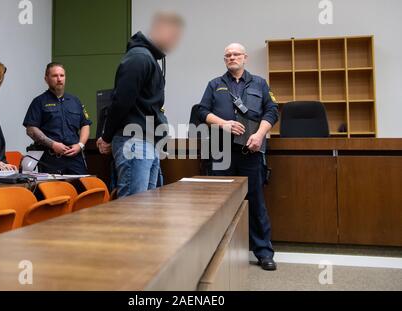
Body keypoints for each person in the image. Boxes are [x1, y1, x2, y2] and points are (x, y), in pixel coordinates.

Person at [198, 43, 279, 271]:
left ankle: (263, 252)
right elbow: (201, 112)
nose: (231, 57)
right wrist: (223, 124)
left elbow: (272, 110)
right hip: (220, 152)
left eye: (235, 54)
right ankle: (219, 253)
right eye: (227, 55)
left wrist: (260, 135)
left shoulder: (260, 83)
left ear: (245, 57)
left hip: (250, 151)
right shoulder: (215, 85)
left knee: (255, 201)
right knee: (220, 203)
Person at [97, 11, 184, 197]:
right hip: (134, 142)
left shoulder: (149, 59)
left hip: (148, 142)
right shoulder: (138, 58)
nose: (173, 40)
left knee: (146, 209)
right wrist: (107, 136)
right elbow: (121, 101)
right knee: (133, 208)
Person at [23, 62, 91, 174]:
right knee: (53, 191)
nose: (59, 79)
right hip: (51, 158)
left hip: (75, 157)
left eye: (62, 75)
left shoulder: (75, 101)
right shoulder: (39, 102)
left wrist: (80, 145)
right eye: (55, 76)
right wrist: (53, 144)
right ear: (46, 79)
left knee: (81, 188)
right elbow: (31, 129)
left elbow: (85, 124)